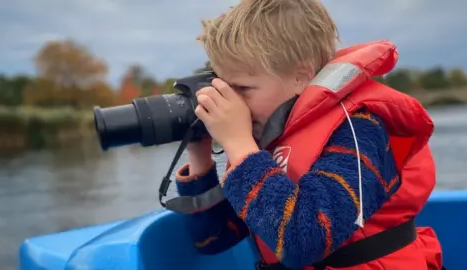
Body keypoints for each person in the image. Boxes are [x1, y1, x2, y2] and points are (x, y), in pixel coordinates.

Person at [174, 0, 443, 269]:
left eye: (242, 89)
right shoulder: (266, 142)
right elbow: (213, 238)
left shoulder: (359, 130)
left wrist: (239, 144)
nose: (234, 102)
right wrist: (200, 153)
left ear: (301, 77)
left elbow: (306, 242)